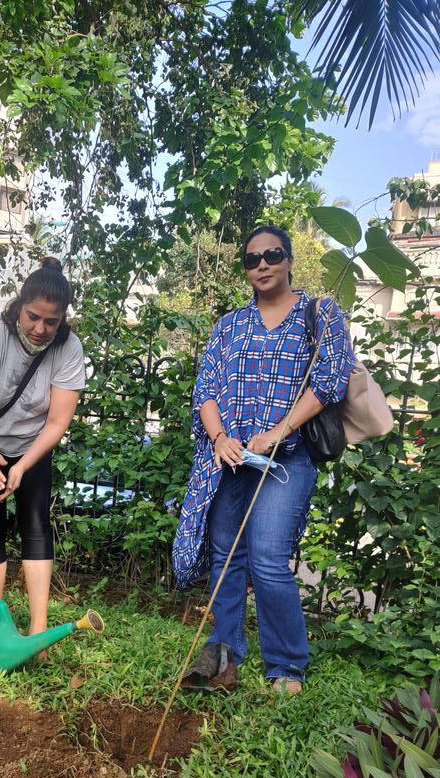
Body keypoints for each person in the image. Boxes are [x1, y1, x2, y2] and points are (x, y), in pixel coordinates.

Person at [173, 225, 354, 695]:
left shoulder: (320, 314)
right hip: (233, 460)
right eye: (252, 259)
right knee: (225, 556)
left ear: (289, 259)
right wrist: (218, 438)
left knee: (270, 559)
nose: (262, 265)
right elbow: (205, 389)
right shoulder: (230, 324)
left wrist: (279, 432)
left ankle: (287, 664)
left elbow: (330, 380)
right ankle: (225, 649)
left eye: (272, 254)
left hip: (286, 460)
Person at [0, 258, 85, 640]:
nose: (40, 329)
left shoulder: (68, 348)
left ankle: (37, 630)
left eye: (51, 322)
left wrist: (23, 465)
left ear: (62, 319)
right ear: (19, 306)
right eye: (32, 317)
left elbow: (57, 422)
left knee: (36, 525)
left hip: (33, 446)